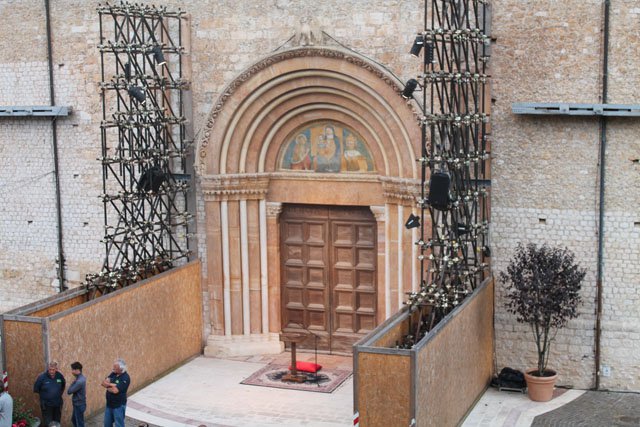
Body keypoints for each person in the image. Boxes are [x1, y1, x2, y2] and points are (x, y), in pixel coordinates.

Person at [33, 361, 65, 427]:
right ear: (48, 369)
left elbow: (63, 386)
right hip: (46, 405)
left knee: (57, 423)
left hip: (57, 404)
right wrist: (45, 396)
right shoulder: (42, 377)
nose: (51, 371)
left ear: (56, 369)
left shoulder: (60, 376)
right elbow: (36, 389)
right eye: (50, 369)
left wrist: (56, 394)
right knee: (48, 423)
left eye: (53, 370)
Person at [102, 359, 131, 427]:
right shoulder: (113, 373)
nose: (113, 369)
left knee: (119, 425)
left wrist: (109, 385)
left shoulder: (125, 378)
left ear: (121, 369)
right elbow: (103, 383)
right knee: (107, 424)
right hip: (109, 405)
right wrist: (114, 385)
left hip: (118, 406)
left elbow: (115, 391)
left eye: (115, 367)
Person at [67, 361, 86, 427]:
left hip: (79, 405)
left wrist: (72, 383)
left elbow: (69, 391)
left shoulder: (79, 381)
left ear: (77, 370)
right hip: (78, 404)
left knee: (79, 423)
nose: (72, 371)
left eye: (73, 369)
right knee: (74, 420)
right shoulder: (81, 378)